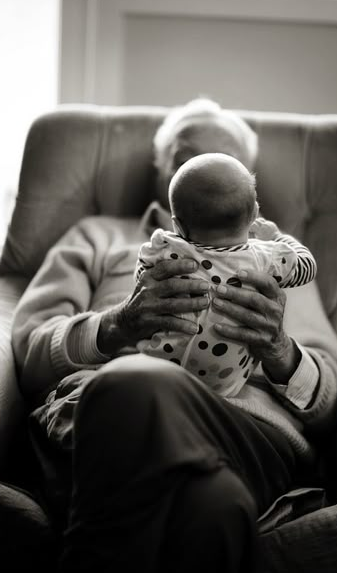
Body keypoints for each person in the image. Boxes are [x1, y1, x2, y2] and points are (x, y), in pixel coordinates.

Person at [11, 97, 337, 573]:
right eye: (189, 153)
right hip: (102, 413)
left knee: (136, 386)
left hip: (241, 431)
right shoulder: (102, 236)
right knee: (209, 500)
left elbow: (326, 395)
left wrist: (277, 347)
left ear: (249, 187)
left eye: (225, 158)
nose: (206, 168)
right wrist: (117, 326)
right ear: (162, 166)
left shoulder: (273, 256)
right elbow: (30, 346)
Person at [135, 151, 317, 397]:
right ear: (254, 214)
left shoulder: (164, 248)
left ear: (177, 225)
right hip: (223, 390)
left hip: (151, 375)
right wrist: (277, 237)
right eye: (187, 154)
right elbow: (307, 267)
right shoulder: (269, 259)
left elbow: (141, 280)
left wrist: (281, 350)